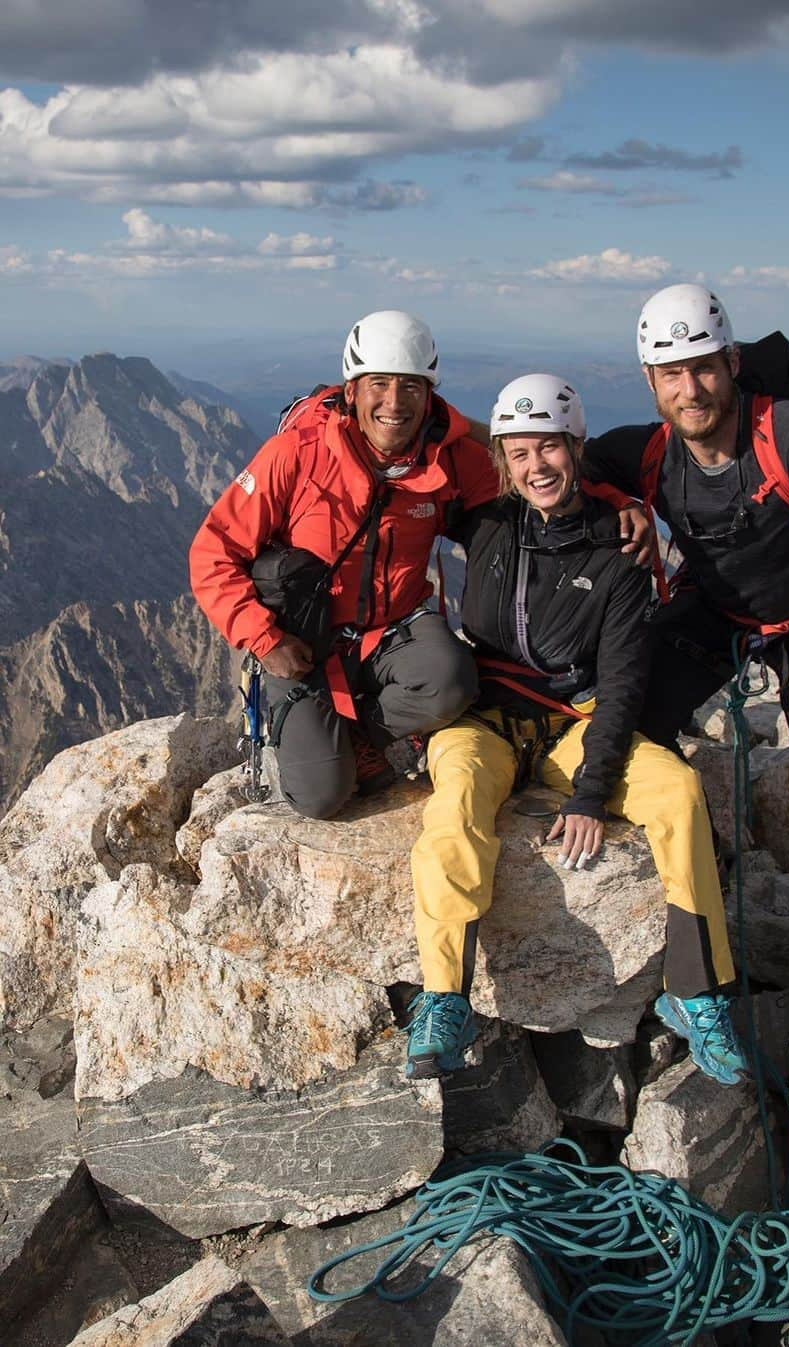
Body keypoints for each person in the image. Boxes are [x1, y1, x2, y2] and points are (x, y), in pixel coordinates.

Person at [404, 373, 747, 1086]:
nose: (537, 467)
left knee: (678, 791)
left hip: (576, 721)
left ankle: (695, 990)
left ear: (577, 448)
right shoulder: (488, 522)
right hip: (489, 717)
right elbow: (425, 448)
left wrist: (591, 794)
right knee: (458, 797)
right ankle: (444, 998)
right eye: (520, 453)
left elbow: (624, 681)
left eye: (551, 449)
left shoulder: (618, 554)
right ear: (503, 461)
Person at [583, 283, 789, 1052]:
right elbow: (560, 464)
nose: (691, 390)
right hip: (717, 612)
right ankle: (686, 914)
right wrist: (618, 502)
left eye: (704, 369)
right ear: (651, 382)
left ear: (732, 361)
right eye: (671, 375)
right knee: (629, 725)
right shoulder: (645, 454)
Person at [189, 311, 497, 817]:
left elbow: (532, 470)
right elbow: (213, 552)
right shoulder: (296, 454)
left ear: (430, 395)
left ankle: (354, 732)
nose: (395, 404)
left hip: (395, 629)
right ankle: (319, 738)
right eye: (379, 384)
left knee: (452, 684)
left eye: (411, 387)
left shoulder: (450, 456)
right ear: (351, 391)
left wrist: (617, 504)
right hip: (303, 644)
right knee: (323, 797)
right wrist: (266, 641)